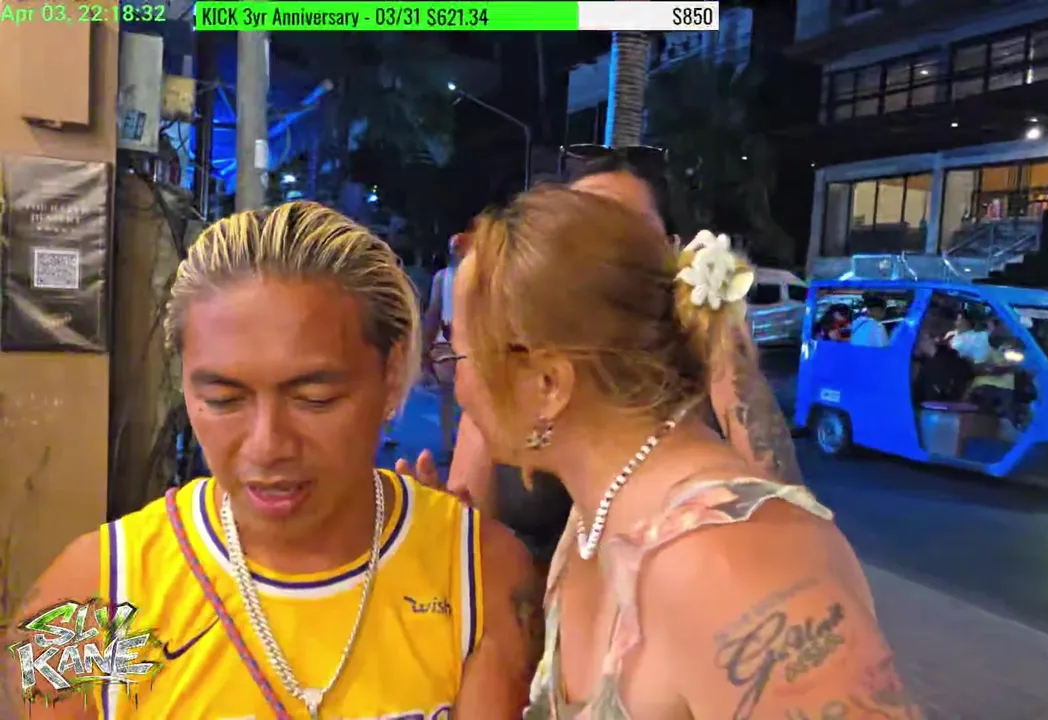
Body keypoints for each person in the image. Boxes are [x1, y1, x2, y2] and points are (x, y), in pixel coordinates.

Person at [4, 203, 539, 719]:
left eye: (315, 399)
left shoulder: (478, 576)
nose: (267, 445)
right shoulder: (97, 595)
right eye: (223, 400)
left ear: (392, 373)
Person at [452, 185, 917, 719]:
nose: (456, 385)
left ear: (548, 384)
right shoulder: (592, 521)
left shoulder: (732, 564)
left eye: (458, 356)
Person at [398, 153, 804, 568]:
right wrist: (449, 540)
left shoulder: (698, 389)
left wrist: (722, 343)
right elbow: (472, 541)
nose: (602, 250)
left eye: (626, 229)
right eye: (580, 228)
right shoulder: (512, 377)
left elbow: (782, 532)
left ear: (671, 252)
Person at [420, 231, 467, 461]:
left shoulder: (445, 277)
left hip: (453, 343)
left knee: (451, 395)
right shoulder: (449, 277)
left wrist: (425, 348)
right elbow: (433, 313)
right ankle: (454, 444)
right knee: (454, 394)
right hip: (455, 344)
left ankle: (453, 444)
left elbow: (433, 313)